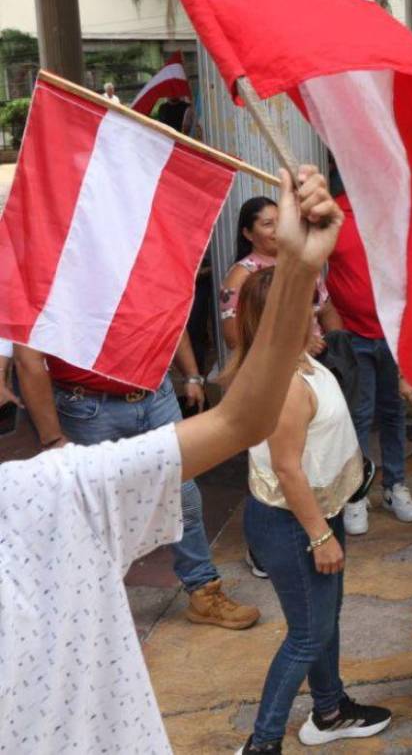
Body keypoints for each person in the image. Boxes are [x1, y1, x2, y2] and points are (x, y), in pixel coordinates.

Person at [0, 166, 356, 753]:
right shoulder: (55, 485)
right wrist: (57, 436)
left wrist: (296, 267)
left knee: (185, 504)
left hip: (149, 400)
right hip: (90, 411)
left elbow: (239, 420)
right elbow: (34, 361)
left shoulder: (45, 493)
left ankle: (202, 589)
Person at [233, 267, 391, 754]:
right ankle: (262, 744)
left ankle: (330, 711)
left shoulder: (299, 360)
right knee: (306, 634)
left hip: (317, 514)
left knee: (323, 621)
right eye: (306, 304)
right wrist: (321, 536)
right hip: (296, 523)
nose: (317, 310)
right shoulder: (283, 383)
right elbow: (287, 469)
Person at [14, 332, 259, 632]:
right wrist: (51, 438)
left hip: (156, 393)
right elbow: (28, 357)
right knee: (94, 514)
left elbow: (171, 316)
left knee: (184, 497)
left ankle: (204, 592)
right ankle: (90, 612)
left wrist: (192, 375)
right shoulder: (53, 283)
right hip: (87, 405)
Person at [325, 173, 412, 530]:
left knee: (395, 412)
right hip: (352, 335)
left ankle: (395, 485)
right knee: (358, 415)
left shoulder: (398, 212)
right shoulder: (334, 214)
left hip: (395, 335)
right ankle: (357, 492)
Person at [220, 196, 342, 353]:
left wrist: (338, 348)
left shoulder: (303, 263)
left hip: (319, 363)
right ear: (248, 233)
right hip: (273, 371)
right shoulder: (240, 276)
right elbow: (233, 338)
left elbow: (327, 311)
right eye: (268, 224)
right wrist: (297, 347)